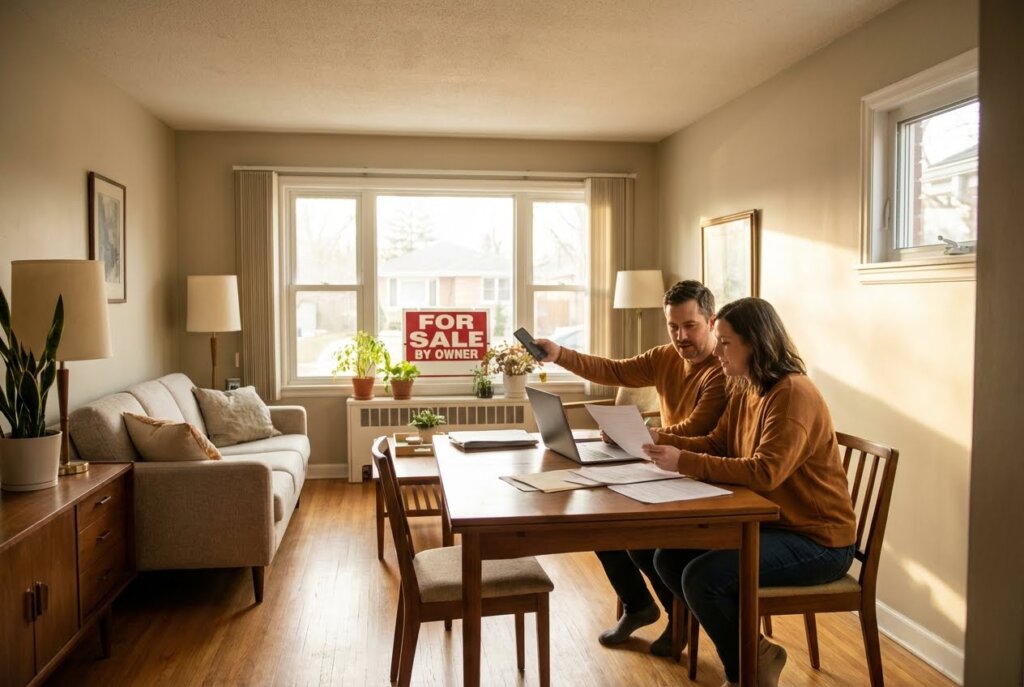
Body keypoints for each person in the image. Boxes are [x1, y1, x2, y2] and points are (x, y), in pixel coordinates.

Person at [642, 298, 857, 687]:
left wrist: (684, 461)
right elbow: (718, 442)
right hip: (774, 526)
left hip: (817, 540)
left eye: (725, 343)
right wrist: (664, 442)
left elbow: (765, 472)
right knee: (668, 558)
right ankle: (757, 652)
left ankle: (745, 675)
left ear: (755, 343)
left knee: (702, 579)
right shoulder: (744, 386)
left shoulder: (792, 394)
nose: (718, 351)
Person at [534, 280, 728, 656]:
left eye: (690, 325)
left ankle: (678, 617)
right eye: (673, 326)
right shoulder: (666, 356)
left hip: (697, 473)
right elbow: (614, 370)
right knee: (598, 522)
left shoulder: (720, 370)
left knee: (639, 539)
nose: (680, 336)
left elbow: (696, 429)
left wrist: (642, 435)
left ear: (711, 321)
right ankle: (639, 605)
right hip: (661, 467)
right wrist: (559, 354)